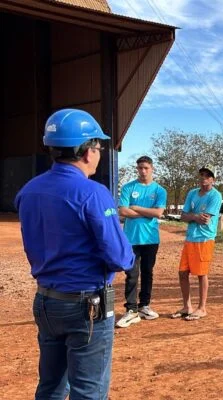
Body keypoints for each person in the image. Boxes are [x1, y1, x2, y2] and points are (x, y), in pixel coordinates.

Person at [16, 109, 135, 398]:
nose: (99, 153)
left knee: (51, 386)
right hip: (86, 307)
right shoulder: (92, 192)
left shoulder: (28, 191)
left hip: (46, 301)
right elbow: (120, 257)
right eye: (98, 146)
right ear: (85, 150)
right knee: (88, 391)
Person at [116, 155, 167, 328]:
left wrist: (136, 208)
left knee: (147, 272)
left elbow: (159, 213)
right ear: (137, 169)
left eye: (146, 168)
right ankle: (131, 310)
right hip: (131, 238)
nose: (143, 171)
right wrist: (148, 212)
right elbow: (122, 211)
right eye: (140, 168)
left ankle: (144, 305)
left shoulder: (159, 190)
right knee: (131, 274)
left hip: (151, 238)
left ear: (152, 168)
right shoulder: (129, 187)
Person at [174, 166, 223, 321]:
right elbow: (183, 216)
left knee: (202, 274)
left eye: (208, 176)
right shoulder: (192, 193)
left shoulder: (215, 196)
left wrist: (192, 216)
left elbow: (205, 219)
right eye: (202, 175)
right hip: (190, 238)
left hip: (204, 238)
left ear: (213, 179)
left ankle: (202, 308)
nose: (204, 178)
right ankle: (187, 306)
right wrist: (195, 217)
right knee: (182, 272)